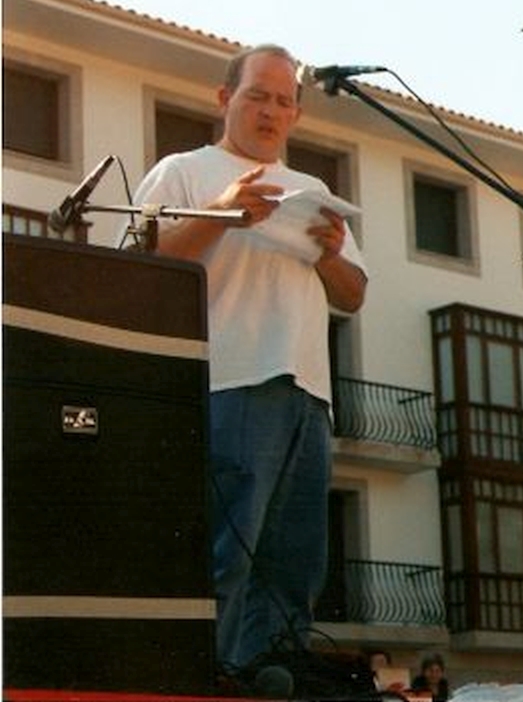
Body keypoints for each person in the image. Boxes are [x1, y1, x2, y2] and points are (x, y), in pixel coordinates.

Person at [128, 43, 368, 674]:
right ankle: (208, 678)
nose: (270, 110)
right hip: (228, 383)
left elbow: (354, 296)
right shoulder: (184, 171)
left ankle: (274, 678)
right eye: (257, 94)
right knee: (223, 556)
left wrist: (328, 255)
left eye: (284, 100)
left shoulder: (314, 190)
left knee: (294, 564)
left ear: (296, 116)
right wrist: (220, 215)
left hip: (308, 397)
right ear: (224, 99)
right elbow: (141, 267)